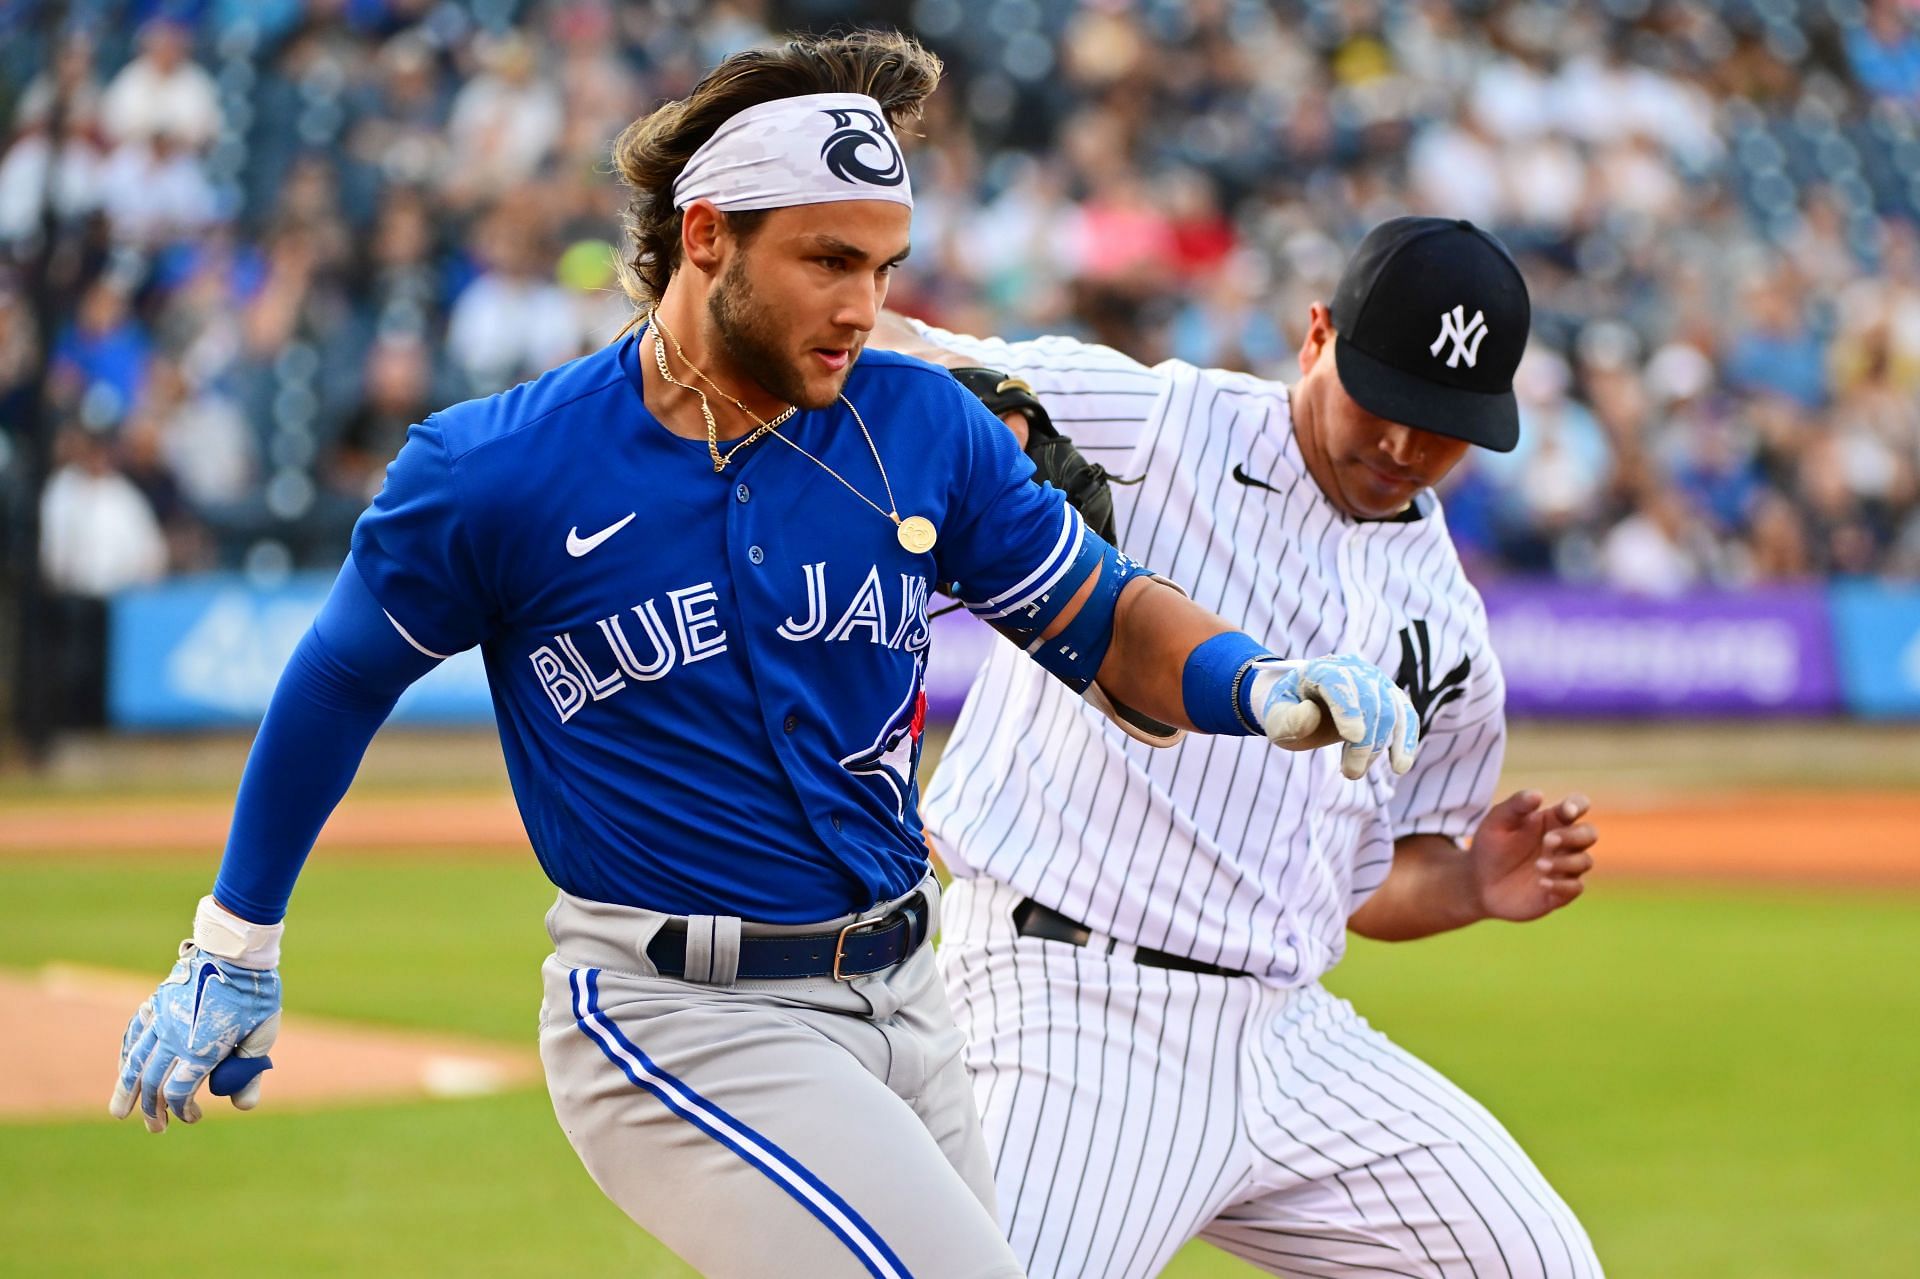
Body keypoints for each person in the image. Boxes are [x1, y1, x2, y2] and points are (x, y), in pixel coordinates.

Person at [105, 33, 1421, 1279]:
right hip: (676, 1009)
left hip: (909, 998)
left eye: (885, 267)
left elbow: (1102, 613)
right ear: (705, 236)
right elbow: (341, 678)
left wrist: (1257, 683)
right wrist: (237, 937)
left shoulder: (922, 425)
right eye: (827, 259)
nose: (864, 306)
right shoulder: (494, 469)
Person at [879, 216, 1606, 1278]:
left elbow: (1368, 883)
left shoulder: (1446, 617)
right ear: (1317, 338)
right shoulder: (1161, 423)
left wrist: (1470, 886)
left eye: (1441, 424)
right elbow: (901, 353)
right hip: (1076, 1000)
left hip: (1290, 1036)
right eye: (1385, 401)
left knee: (1538, 1266)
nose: (1403, 446)